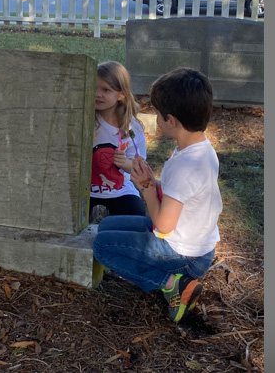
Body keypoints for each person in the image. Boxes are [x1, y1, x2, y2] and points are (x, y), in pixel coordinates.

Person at [92, 67, 222, 323]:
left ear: (171, 120)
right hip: (194, 244)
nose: (156, 119)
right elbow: (181, 194)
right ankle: (172, 278)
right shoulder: (200, 148)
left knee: (102, 247)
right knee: (105, 225)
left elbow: (163, 224)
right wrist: (153, 181)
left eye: (158, 114)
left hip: (185, 256)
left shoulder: (185, 165)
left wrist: (147, 188)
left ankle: (173, 284)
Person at [89, 61, 147, 223]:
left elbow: (139, 168)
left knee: (135, 216)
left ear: (121, 94)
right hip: (85, 190)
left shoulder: (131, 128)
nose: (98, 94)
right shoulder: (86, 120)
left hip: (119, 190)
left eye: (106, 90)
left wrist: (125, 163)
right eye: (94, 88)